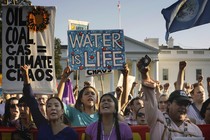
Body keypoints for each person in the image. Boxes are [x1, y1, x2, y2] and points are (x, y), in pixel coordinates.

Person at [136, 57, 203, 139]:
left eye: (185, 104)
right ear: (169, 104)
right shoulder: (157, 119)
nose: (183, 107)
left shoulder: (195, 130)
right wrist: (145, 75)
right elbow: (150, 99)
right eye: (179, 103)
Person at [21, 65, 78, 140]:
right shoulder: (42, 125)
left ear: (62, 111)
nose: (53, 108)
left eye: (56, 105)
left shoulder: (71, 133)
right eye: (49, 106)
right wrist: (26, 76)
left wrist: (63, 79)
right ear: (46, 111)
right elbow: (31, 101)